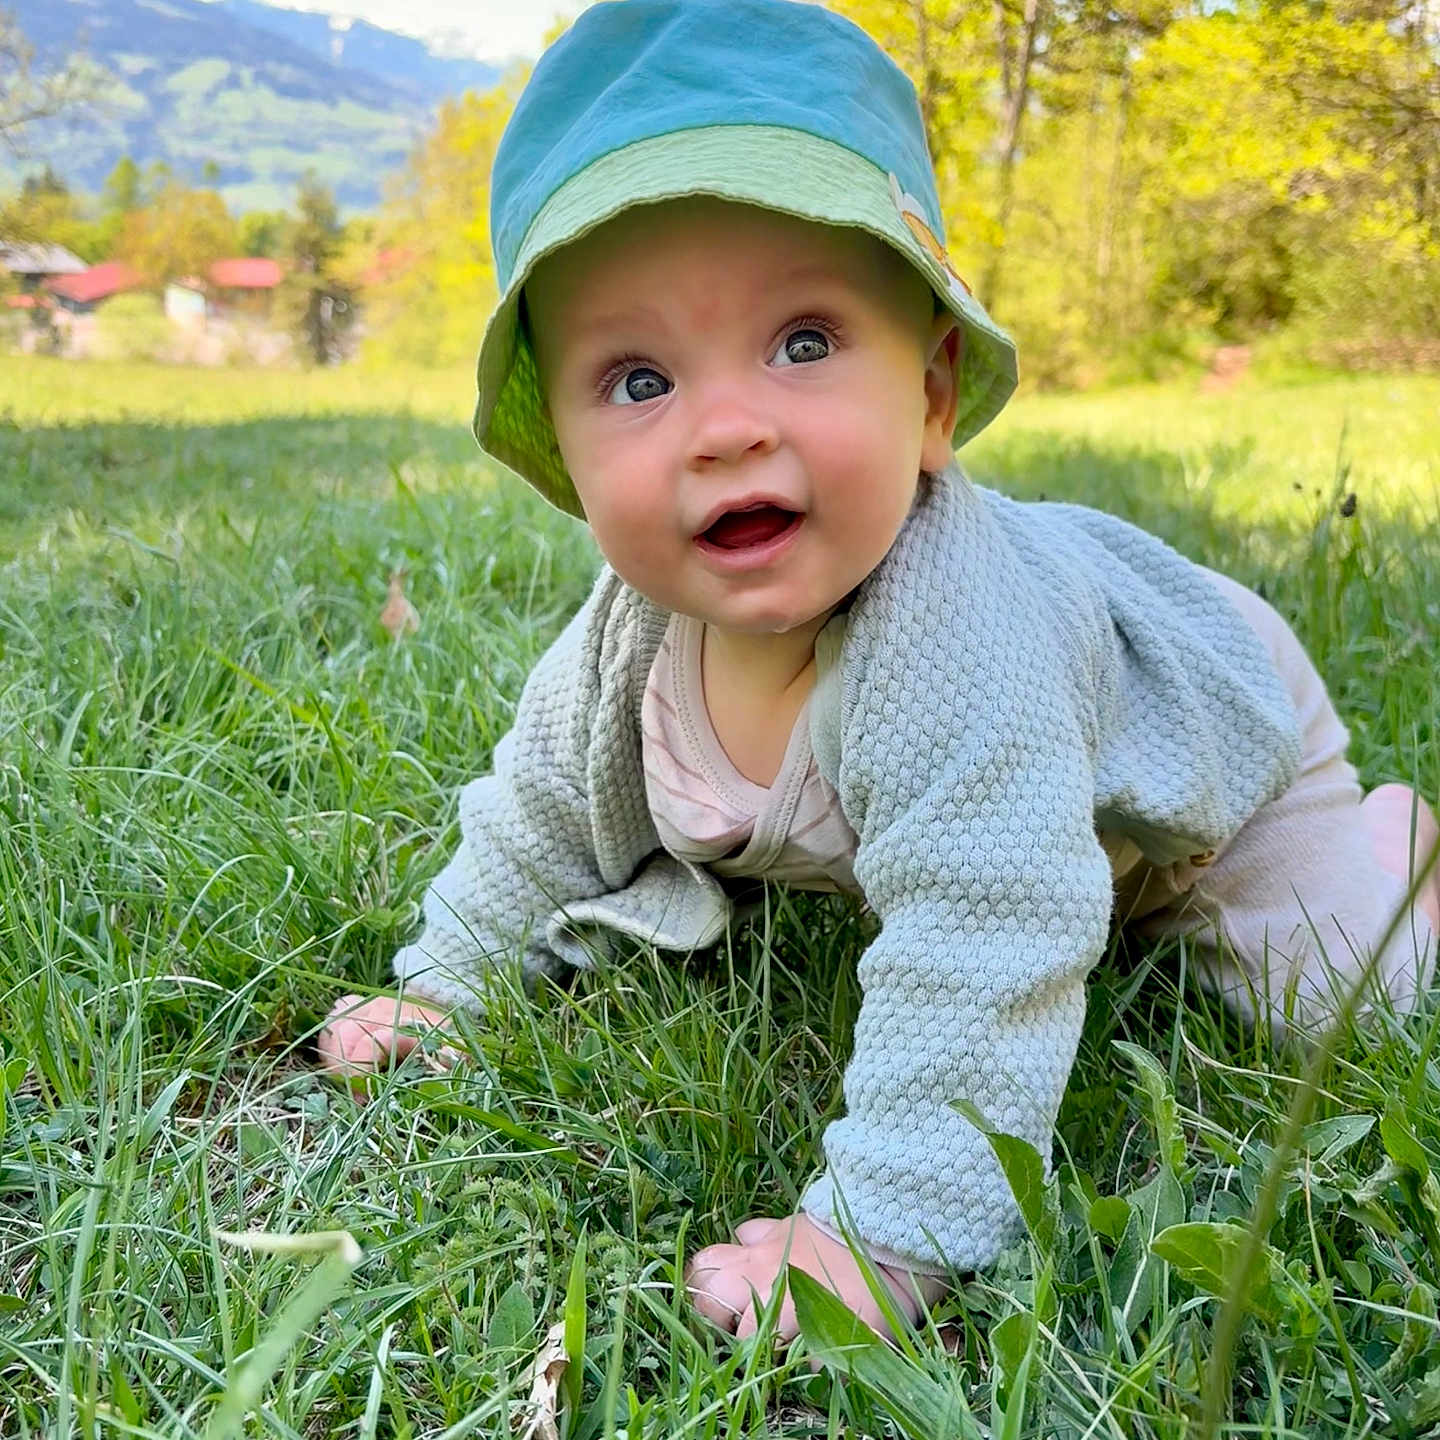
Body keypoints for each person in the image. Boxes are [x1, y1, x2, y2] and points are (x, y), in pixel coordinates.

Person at [318, 0, 1439, 1342]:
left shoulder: (957, 644)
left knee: (1335, 1003)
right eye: (637, 380)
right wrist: (446, 986)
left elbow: (988, 934)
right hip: (1031, 780)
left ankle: (1397, 854)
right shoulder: (627, 641)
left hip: (1202, 741)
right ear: (561, 448)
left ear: (932, 394)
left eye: (804, 343)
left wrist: (888, 1234)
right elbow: (539, 815)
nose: (726, 428)